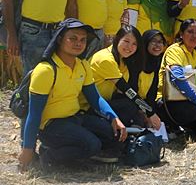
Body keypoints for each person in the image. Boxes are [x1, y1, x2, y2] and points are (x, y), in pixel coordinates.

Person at [18, 19, 127, 171]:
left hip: (75, 118)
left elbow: (95, 98)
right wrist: (27, 150)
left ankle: (74, 152)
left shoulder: (83, 65)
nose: (79, 43)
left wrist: (114, 118)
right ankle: (49, 156)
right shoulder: (46, 70)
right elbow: (34, 114)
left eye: (83, 40)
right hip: (51, 126)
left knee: (112, 133)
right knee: (92, 144)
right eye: (73, 38)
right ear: (60, 39)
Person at [90, 25, 161, 129]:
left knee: (135, 112)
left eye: (134, 44)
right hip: (90, 107)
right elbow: (127, 90)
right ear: (117, 39)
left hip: (106, 102)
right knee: (130, 106)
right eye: (126, 41)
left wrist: (143, 112)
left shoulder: (123, 60)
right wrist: (149, 112)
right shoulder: (105, 59)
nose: (129, 47)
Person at [139, 29, 167, 118]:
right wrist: (147, 112)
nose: (157, 45)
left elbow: (152, 93)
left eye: (160, 42)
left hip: (146, 104)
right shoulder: (136, 62)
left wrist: (150, 113)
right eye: (153, 41)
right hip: (131, 102)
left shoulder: (158, 62)